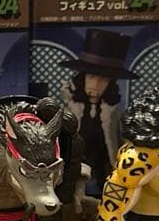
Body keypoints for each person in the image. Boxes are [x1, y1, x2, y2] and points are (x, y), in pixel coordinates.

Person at [59, 29, 139, 194]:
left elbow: (124, 144)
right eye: (91, 77)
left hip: (106, 174)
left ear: (111, 83)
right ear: (82, 78)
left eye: (103, 80)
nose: (95, 85)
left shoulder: (115, 116)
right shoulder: (68, 112)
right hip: (74, 173)